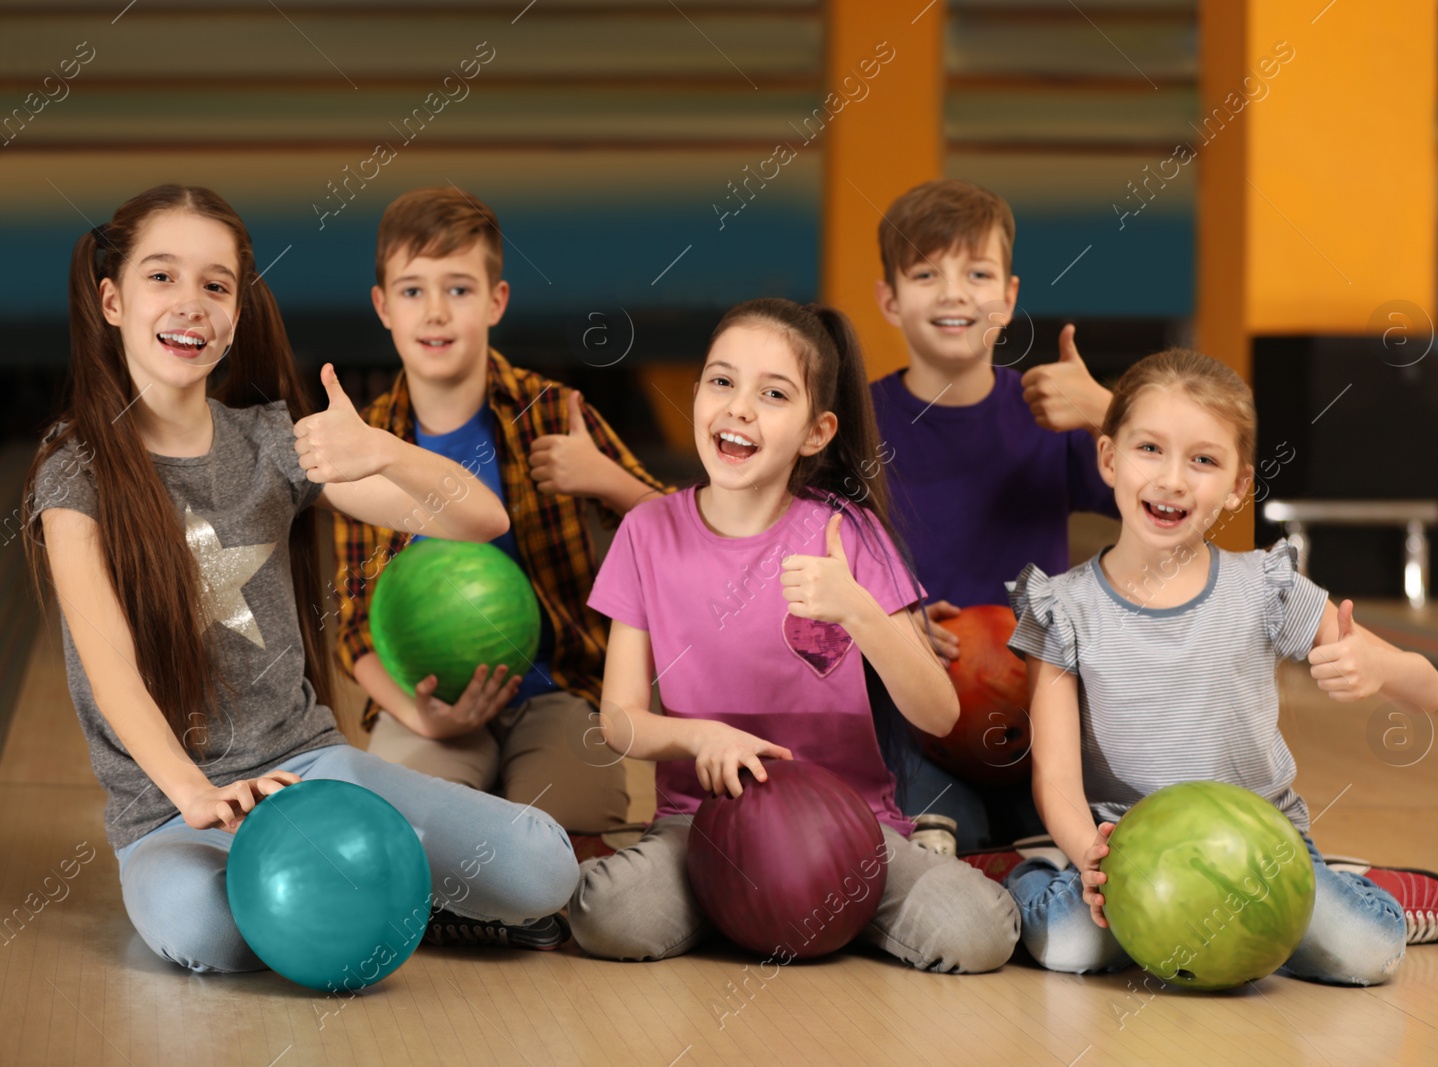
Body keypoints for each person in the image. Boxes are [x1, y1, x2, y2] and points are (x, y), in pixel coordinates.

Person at [23, 184, 578, 973]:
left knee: (543, 871)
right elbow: (109, 666)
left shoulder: (272, 443)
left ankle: (383, 891)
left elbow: (480, 519)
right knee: (209, 931)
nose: (191, 303)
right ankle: (396, 894)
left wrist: (386, 450)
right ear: (112, 300)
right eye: (162, 277)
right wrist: (194, 793)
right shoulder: (74, 467)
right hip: (172, 812)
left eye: (216, 285)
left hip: (315, 772)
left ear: (236, 316)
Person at [567, 298, 1020, 971]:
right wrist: (700, 735)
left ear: (816, 432)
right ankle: (755, 905)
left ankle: (805, 896)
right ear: (696, 395)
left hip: (852, 827)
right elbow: (620, 720)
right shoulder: (646, 532)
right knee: (608, 916)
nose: (740, 407)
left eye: (773, 394)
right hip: (702, 824)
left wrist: (859, 610)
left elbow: (939, 711)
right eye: (722, 382)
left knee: (978, 932)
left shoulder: (849, 533)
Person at [1003, 348, 1438, 986]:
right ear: (1109, 458)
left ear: (1238, 485)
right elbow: (1056, 776)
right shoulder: (1062, 607)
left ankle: (1358, 886)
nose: (1173, 479)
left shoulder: (1264, 588)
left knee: (1368, 953)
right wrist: (1086, 851)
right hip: (1126, 845)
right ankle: (1032, 868)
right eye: (1150, 449)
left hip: (1264, 846)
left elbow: (1430, 690)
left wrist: (1377, 667)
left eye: (1203, 460)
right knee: (1067, 947)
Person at [331, 187, 669, 860]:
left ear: (496, 300)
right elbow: (351, 621)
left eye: (458, 289)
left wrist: (606, 478)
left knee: (563, 840)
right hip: (428, 699)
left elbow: (686, 531)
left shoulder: (553, 414)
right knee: (405, 841)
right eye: (412, 290)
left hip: (557, 690)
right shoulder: (369, 441)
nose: (434, 311)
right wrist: (414, 712)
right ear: (382, 308)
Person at [867, 178, 1119, 852]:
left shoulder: (1054, 415)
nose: (954, 292)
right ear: (889, 299)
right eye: (927, 273)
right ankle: (930, 829)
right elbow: (807, 556)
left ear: (1008, 298)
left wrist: (1108, 413)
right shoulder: (857, 426)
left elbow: (1174, 504)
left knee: (1054, 835)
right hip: (914, 706)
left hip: (1038, 706)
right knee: (952, 833)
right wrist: (889, 617)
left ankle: (1032, 843)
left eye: (977, 273)